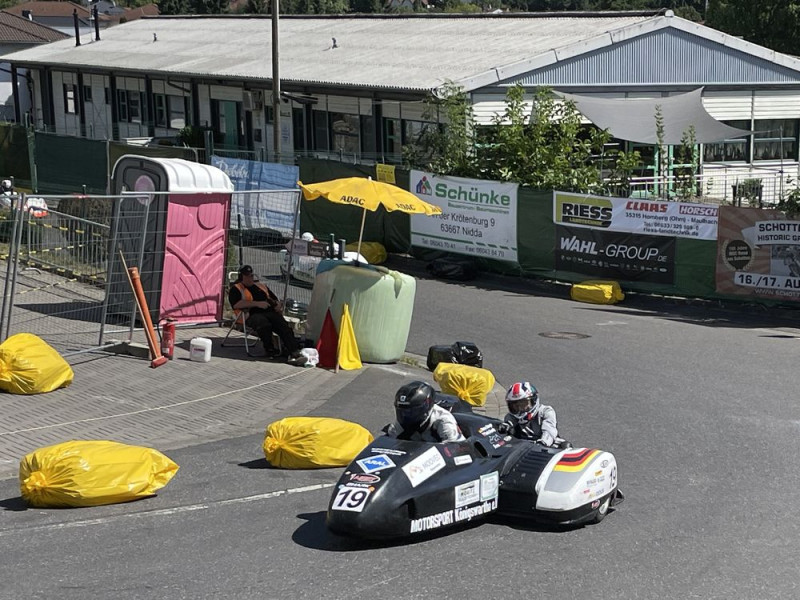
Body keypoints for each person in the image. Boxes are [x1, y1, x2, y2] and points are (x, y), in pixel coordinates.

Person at [228, 265, 304, 365]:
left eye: (251, 275)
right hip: (251, 314)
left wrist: (278, 305)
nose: (250, 278)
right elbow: (236, 304)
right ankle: (270, 349)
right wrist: (257, 304)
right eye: (247, 276)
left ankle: (294, 352)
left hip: (269, 311)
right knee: (263, 324)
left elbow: (275, 299)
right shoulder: (236, 289)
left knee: (283, 325)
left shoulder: (260, 286)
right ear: (241, 277)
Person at [384, 381, 465, 443]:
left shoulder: (443, 420)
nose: (405, 414)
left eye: (411, 411)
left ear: (425, 408)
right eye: (402, 411)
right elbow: (390, 443)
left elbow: (455, 449)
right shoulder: (401, 422)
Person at [499, 381, 559, 446]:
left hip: (546, 448)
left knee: (566, 445)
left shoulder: (546, 412)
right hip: (521, 449)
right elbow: (506, 428)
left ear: (534, 400)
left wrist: (543, 443)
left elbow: (549, 432)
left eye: (523, 404)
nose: (520, 408)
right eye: (515, 405)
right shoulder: (511, 417)